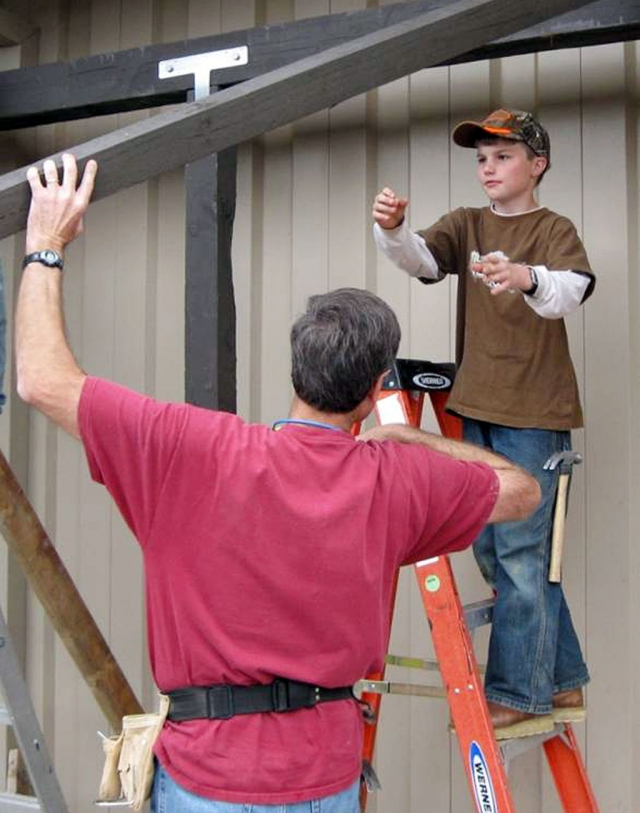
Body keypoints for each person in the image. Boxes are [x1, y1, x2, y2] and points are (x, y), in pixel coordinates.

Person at [17, 153, 539, 812]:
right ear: (376, 388)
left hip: (209, 775)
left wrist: (45, 247)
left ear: (297, 367)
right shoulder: (395, 479)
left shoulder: (189, 448)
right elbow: (522, 488)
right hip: (326, 776)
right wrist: (411, 436)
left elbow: (41, 378)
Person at [372, 108, 595, 739]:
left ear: (536, 164)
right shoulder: (466, 225)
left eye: (502, 155)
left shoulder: (554, 227)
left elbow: (571, 290)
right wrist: (392, 230)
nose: (489, 167)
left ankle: (520, 693)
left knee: (523, 558)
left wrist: (523, 276)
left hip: (536, 413)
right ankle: (562, 675)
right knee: (498, 555)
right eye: (481, 158)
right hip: (476, 408)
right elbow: (420, 261)